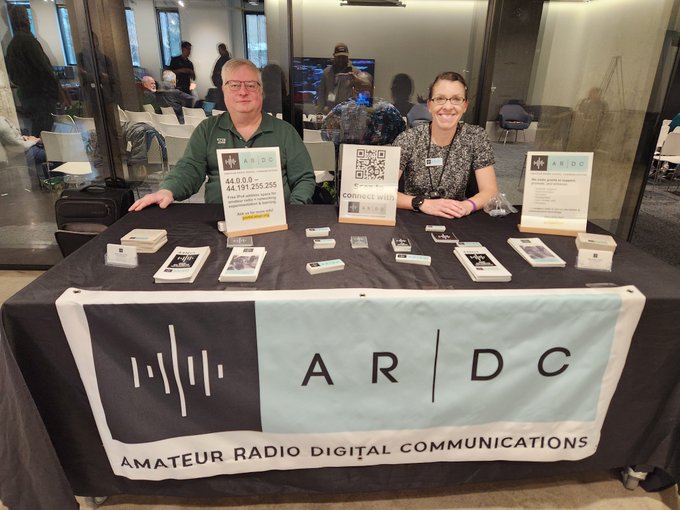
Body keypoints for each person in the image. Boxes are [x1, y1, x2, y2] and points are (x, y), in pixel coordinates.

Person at [129, 58, 315, 211]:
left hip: (277, 221)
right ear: (224, 90)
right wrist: (168, 190)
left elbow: (304, 178)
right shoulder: (207, 130)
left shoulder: (285, 132)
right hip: (220, 222)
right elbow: (190, 168)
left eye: (251, 85)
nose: (243, 92)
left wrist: (294, 211)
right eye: (234, 85)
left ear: (261, 91)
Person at [392, 71, 498, 219]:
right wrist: (422, 203)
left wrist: (468, 205)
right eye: (440, 99)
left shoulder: (475, 137)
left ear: (465, 105)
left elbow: (490, 191)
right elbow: (384, 191)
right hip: (413, 217)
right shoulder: (409, 139)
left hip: (457, 217)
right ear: (429, 105)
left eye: (456, 99)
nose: (448, 106)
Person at [4, 5, 65, 136]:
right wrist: (60, 91)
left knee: (39, 132)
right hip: (40, 97)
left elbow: (13, 75)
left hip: (28, 96)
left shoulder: (12, 44)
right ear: (23, 19)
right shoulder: (27, 41)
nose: (28, 19)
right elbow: (45, 69)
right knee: (44, 134)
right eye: (26, 16)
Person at [321, 71, 405, 146]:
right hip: (381, 159)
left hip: (346, 159)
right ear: (373, 89)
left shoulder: (339, 110)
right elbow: (401, 137)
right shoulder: (389, 110)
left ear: (353, 90)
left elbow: (326, 137)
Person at [315, 43, 358, 114]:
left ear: (348, 56)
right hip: (330, 113)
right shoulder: (326, 72)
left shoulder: (356, 72)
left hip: (348, 114)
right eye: (339, 57)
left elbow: (361, 95)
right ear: (334, 56)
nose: (341, 60)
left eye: (343, 57)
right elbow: (321, 94)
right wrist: (319, 113)